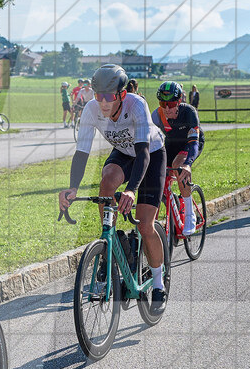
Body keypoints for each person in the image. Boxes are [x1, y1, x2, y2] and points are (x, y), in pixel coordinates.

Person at [59, 64, 169, 316]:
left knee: (144, 224)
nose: (103, 103)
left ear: (121, 94)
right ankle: (111, 241)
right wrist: (72, 188)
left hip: (150, 153)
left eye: (108, 97)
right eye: (98, 96)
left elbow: (142, 153)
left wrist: (131, 190)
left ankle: (159, 284)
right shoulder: (90, 110)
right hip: (123, 152)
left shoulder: (136, 105)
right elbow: (81, 153)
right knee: (106, 182)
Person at [153, 81, 204, 235]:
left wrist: (188, 164)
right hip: (171, 144)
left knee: (178, 165)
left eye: (171, 103)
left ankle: (190, 214)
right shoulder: (156, 115)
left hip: (191, 144)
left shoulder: (189, 112)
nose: (167, 108)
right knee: (157, 174)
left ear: (179, 101)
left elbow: (193, 143)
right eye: (163, 103)